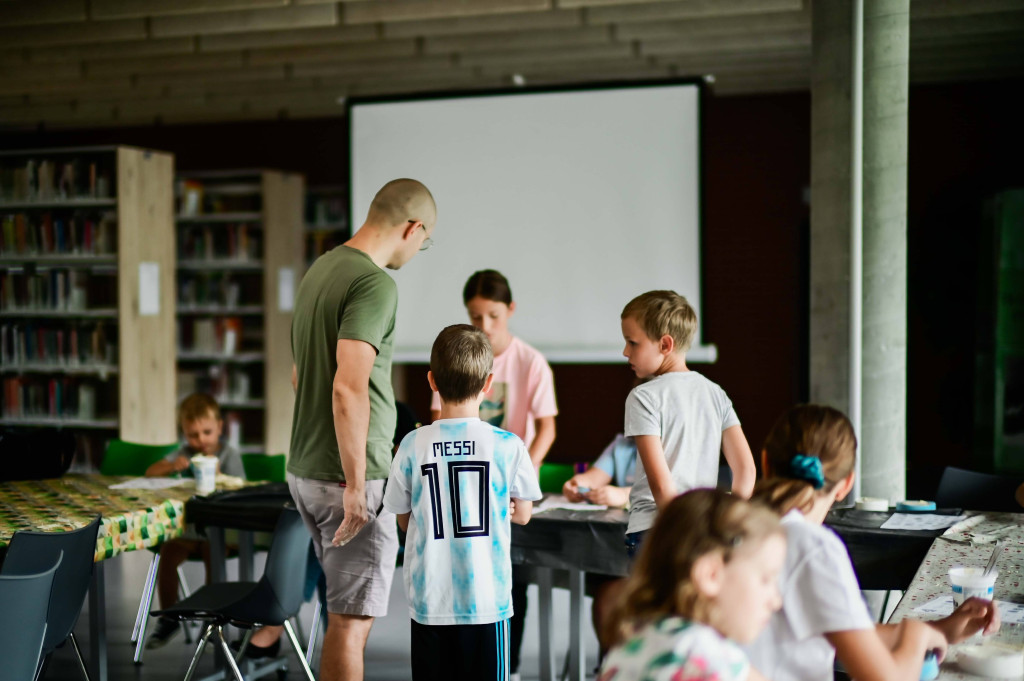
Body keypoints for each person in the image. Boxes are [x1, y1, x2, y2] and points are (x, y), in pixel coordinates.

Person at [285, 178, 436, 681]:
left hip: (305, 468)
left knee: (341, 618)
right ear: (413, 228)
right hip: (350, 478)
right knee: (352, 624)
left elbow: (299, 375)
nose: (419, 249)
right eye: (425, 240)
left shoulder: (320, 269)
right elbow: (348, 388)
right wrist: (355, 484)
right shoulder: (374, 283)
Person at [746, 404, 999, 681]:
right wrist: (916, 635)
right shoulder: (813, 548)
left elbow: (845, 630)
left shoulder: (730, 528)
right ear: (846, 485)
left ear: (765, 461)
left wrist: (939, 630)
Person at [384, 324, 542, 680]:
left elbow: (404, 520)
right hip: (487, 600)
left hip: (430, 599)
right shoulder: (508, 445)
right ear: (488, 384)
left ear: (431, 381)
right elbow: (525, 513)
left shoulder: (412, 444)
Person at [430, 268, 557, 679]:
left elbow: (547, 427)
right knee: (456, 569)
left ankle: (510, 666)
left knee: (508, 575)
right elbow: (439, 422)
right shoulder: (456, 360)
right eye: (475, 316)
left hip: (506, 483)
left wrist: (522, 477)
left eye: (492, 316)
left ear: (510, 311)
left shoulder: (530, 362)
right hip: (462, 485)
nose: (483, 325)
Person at [619, 290, 756, 556]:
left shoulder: (643, 396)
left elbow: (661, 486)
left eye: (632, 342)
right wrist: (723, 521)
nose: (625, 351)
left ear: (665, 345)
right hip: (705, 529)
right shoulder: (716, 393)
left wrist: (683, 529)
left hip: (659, 529)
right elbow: (746, 470)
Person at [599, 488, 786, 681]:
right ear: (711, 574)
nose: (776, 601)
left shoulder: (631, 641)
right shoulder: (707, 655)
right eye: (766, 579)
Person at [144, 392, 244, 649]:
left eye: (207, 432)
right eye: (193, 435)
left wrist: (221, 477)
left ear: (220, 427)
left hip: (220, 531)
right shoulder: (185, 453)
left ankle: (212, 619)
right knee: (167, 554)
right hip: (190, 531)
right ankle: (169, 618)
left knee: (215, 554)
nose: (200, 441)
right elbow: (150, 472)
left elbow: (243, 489)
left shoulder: (229, 455)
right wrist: (172, 466)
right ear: (184, 434)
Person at [562, 433, 636, 660]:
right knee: (605, 590)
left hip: (658, 544)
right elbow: (594, 477)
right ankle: (610, 663)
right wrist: (577, 484)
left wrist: (625, 495)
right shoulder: (623, 443)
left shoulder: (678, 438)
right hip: (620, 546)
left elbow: (681, 486)